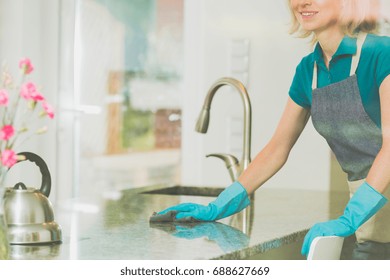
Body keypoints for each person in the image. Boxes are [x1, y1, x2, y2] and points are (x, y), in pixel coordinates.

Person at [156, 0, 390, 260]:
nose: (301, 2)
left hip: (365, 209)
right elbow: (278, 147)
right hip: (370, 224)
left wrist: (350, 217)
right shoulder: (307, 71)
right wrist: (220, 205)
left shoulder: (382, 53)